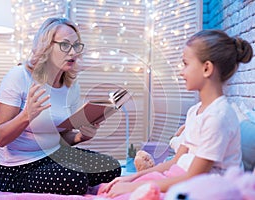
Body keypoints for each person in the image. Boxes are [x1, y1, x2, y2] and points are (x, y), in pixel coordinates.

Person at [99, 29, 253, 197]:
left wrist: (134, 188)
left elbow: (195, 176)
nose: (181, 72)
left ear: (207, 68)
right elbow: (175, 161)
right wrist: (132, 179)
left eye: (186, 64)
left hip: (205, 189)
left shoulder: (219, 116)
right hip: (183, 177)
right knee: (115, 190)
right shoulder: (195, 111)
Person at [0, 17, 121, 195]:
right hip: (17, 169)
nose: (73, 52)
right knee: (76, 179)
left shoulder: (71, 85)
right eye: (65, 45)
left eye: (77, 46)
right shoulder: (19, 76)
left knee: (111, 168)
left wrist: (80, 137)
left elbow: (59, 138)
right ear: (46, 46)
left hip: (53, 157)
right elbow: (0, 138)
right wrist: (26, 115)